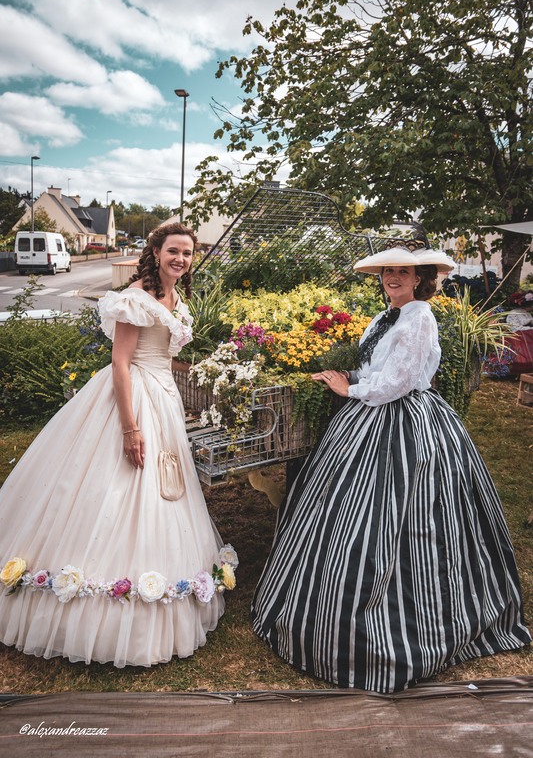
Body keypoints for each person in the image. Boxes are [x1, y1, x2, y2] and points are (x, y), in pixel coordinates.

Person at [252, 240, 531, 693]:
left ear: (421, 278)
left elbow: (400, 381)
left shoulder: (420, 315)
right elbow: (374, 370)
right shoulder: (384, 317)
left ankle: (405, 616)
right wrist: (342, 377)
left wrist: (350, 391)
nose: (393, 279)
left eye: (403, 272)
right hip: (366, 418)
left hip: (407, 421)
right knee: (340, 510)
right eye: (387, 272)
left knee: (403, 514)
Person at [0, 222, 235, 668]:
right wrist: (131, 428)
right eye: (173, 251)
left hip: (164, 399)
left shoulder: (174, 296)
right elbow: (121, 365)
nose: (181, 259)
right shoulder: (136, 297)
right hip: (133, 401)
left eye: (187, 253)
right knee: (119, 483)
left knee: (165, 489)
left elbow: (163, 355)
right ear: (157, 252)